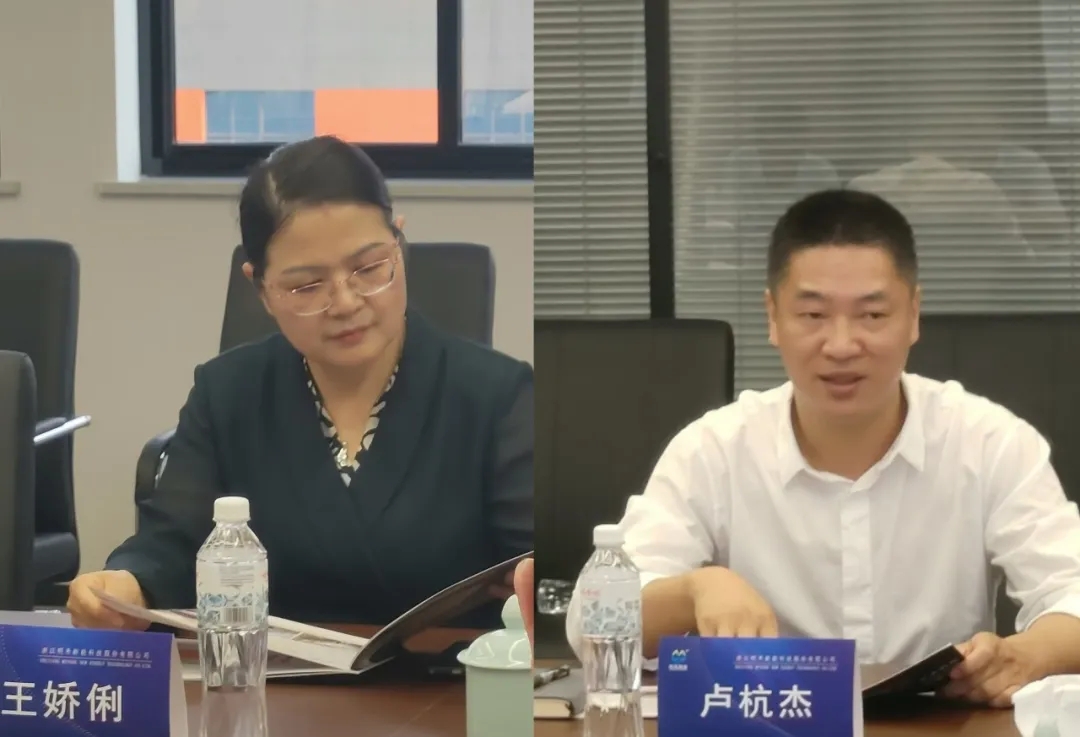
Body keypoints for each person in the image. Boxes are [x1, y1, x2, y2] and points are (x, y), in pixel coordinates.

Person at [566, 188, 1080, 708]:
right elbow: (590, 621)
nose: (841, 345)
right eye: (813, 315)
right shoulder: (714, 449)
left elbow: (1072, 590)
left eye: (872, 316)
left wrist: (1025, 655)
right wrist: (694, 590)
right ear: (772, 317)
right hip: (773, 721)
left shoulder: (989, 442)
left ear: (913, 314)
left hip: (941, 724)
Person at [68, 135, 533, 630]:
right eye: (307, 286)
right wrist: (126, 584)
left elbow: (533, 564)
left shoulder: (497, 397)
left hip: (448, 672)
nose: (346, 302)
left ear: (399, 243)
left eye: (369, 268)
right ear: (261, 289)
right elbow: (172, 544)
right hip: (267, 672)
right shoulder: (227, 393)